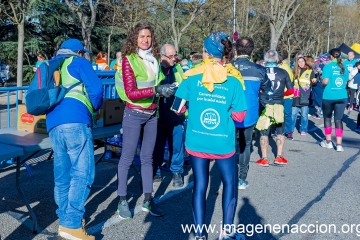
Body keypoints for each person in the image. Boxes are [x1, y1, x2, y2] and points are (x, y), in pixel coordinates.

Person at [174, 32, 247, 240]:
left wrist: (194, 106)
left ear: (206, 52)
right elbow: (240, 116)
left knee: (199, 185)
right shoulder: (234, 80)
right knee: (229, 184)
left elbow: (177, 108)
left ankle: (199, 234)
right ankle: (227, 231)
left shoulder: (191, 76)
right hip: (223, 142)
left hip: (197, 140)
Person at [114, 22, 177, 219]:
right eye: (141, 36)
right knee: (126, 158)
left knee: (147, 159)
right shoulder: (128, 60)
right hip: (133, 114)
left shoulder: (154, 60)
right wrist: (156, 90)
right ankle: (122, 200)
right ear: (134, 38)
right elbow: (131, 92)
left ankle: (148, 200)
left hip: (152, 115)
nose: (145, 40)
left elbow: (156, 85)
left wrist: (167, 89)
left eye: (148, 36)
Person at [47, 38, 103, 240]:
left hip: (53, 123)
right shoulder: (78, 62)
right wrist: (95, 108)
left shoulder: (52, 65)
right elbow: (96, 90)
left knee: (62, 176)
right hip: (76, 120)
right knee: (83, 173)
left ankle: (65, 220)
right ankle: (71, 224)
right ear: (78, 52)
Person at [232, 37, 271, 189]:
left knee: (229, 145)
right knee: (245, 145)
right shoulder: (260, 69)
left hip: (229, 113)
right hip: (249, 113)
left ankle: (228, 178)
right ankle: (242, 179)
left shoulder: (228, 67)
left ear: (236, 50)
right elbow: (268, 90)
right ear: (252, 51)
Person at [152, 44, 186, 188]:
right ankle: (155, 171)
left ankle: (177, 172)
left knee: (177, 146)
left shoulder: (178, 69)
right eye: (170, 56)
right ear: (162, 57)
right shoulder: (154, 69)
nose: (174, 59)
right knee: (156, 147)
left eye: (175, 55)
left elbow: (185, 88)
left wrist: (184, 105)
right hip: (158, 117)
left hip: (176, 116)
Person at [255, 50, 293, 166]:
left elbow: (255, 89)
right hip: (278, 105)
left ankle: (264, 158)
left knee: (264, 132)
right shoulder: (283, 72)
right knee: (280, 131)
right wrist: (281, 95)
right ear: (277, 60)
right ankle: (279, 157)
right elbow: (291, 90)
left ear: (265, 60)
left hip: (264, 105)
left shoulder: (260, 72)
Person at [320, 48, 350, 152]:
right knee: (338, 120)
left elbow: (325, 81)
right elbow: (346, 81)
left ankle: (328, 142)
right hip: (342, 96)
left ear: (331, 57)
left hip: (329, 96)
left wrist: (321, 82)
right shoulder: (344, 66)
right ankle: (339, 145)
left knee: (327, 118)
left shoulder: (327, 66)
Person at [288, 56, 316, 137]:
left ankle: (303, 129)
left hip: (305, 96)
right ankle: (290, 130)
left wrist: (314, 81)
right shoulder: (294, 71)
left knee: (304, 115)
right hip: (295, 96)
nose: (301, 63)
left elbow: (313, 80)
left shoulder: (310, 70)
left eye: (302, 61)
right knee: (293, 114)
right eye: (299, 62)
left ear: (305, 62)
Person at [277, 55, 295, 139]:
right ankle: (279, 130)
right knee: (279, 114)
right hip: (279, 94)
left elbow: (289, 81)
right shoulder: (279, 67)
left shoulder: (285, 68)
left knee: (287, 114)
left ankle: (289, 131)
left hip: (286, 94)